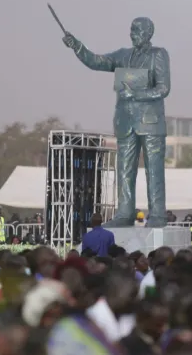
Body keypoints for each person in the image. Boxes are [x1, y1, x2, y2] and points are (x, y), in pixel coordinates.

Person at [63, 17, 170, 228]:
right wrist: (77, 46)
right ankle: (124, 213)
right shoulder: (123, 55)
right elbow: (97, 61)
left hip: (150, 121)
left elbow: (163, 88)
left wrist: (136, 93)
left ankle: (157, 214)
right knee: (124, 169)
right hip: (125, 121)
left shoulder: (158, 55)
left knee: (154, 170)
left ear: (148, 33)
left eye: (137, 30)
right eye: (131, 29)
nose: (132, 33)